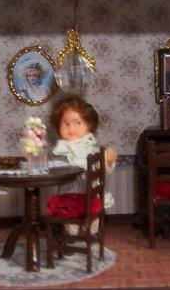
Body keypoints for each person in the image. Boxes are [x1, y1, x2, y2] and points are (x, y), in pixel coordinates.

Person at [49, 96, 118, 235]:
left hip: (91, 196)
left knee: (90, 223)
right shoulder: (61, 148)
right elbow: (57, 167)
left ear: (88, 125)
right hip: (70, 195)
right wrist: (49, 162)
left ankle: (89, 231)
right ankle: (73, 235)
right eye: (65, 123)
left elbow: (101, 171)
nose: (71, 128)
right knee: (71, 225)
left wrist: (108, 161)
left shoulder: (91, 146)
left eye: (77, 123)